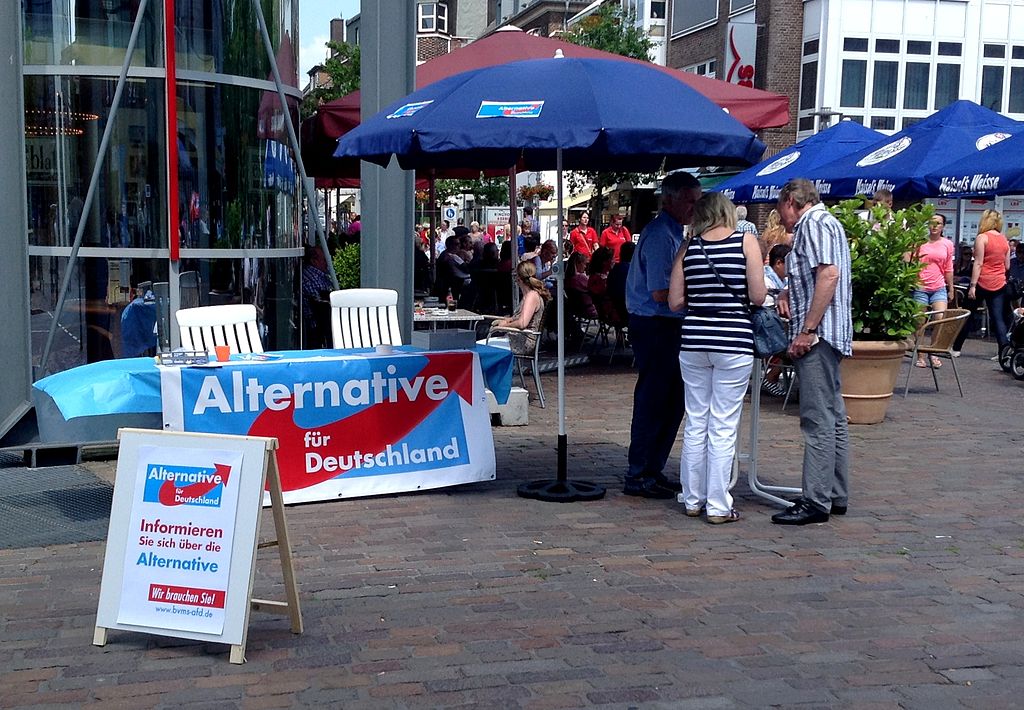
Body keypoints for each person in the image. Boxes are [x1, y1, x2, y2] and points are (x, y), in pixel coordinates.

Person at [668, 193, 767, 523]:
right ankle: (718, 505)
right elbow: (757, 294)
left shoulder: (688, 248)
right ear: (727, 212)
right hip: (733, 341)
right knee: (724, 424)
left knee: (696, 420)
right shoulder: (746, 242)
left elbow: (674, 302)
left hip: (694, 340)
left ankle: (692, 498)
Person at [772, 178, 852, 526]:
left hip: (819, 336)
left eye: (780, 210)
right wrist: (790, 291)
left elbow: (829, 275)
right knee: (832, 414)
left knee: (817, 418)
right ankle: (833, 493)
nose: (781, 219)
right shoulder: (826, 222)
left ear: (791, 201)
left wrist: (808, 329)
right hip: (830, 333)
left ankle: (816, 499)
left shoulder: (813, 224)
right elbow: (820, 273)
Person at [624, 171, 702, 499]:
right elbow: (660, 292)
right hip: (656, 325)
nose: (695, 207)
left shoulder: (675, 235)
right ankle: (639, 473)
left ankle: (653, 468)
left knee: (672, 402)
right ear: (670, 199)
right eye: (690, 200)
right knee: (655, 400)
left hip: (667, 323)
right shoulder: (660, 236)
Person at [909, 213, 955, 368]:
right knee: (920, 322)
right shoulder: (919, 243)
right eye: (932, 223)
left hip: (939, 286)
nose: (935, 226)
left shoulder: (947, 244)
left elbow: (948, 267)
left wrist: (951, 288)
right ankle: (921, 355)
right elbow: (911, 263)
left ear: (943, 226)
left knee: (940, 318)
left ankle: (933, 352)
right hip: (921, 286)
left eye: (938, 223)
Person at [965, 209, 1011, 358]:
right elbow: (1007, 265)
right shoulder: (1004, 240)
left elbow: (978, 263)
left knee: (968, 314)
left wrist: (972, 285)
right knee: (998, 317)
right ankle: (1003, 351)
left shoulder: (982, 238)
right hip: (999, 282)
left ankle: (956, 347)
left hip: (982, 281)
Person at [489, 260, 551, 355]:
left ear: (519, 278)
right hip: (519, 338)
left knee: (483, 346)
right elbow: (522, 317)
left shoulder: (531, 296)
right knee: (486, 345)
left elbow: (522, 323)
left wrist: (503, 326)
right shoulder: (530, 295)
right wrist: (508, 320)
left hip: (523, 342)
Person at [761, 243, 792, 397]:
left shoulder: (785, 281)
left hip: (779, 329)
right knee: (793, 346)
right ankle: (770, 378)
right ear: (779, 263)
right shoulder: (766, 281)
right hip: (767, 331)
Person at [301, 245, 333, 349]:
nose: (327, 263)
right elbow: (322, 304)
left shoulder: (318, 275)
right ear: (314, 261)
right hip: (317, 327)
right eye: (324, 260)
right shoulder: (313, 279)